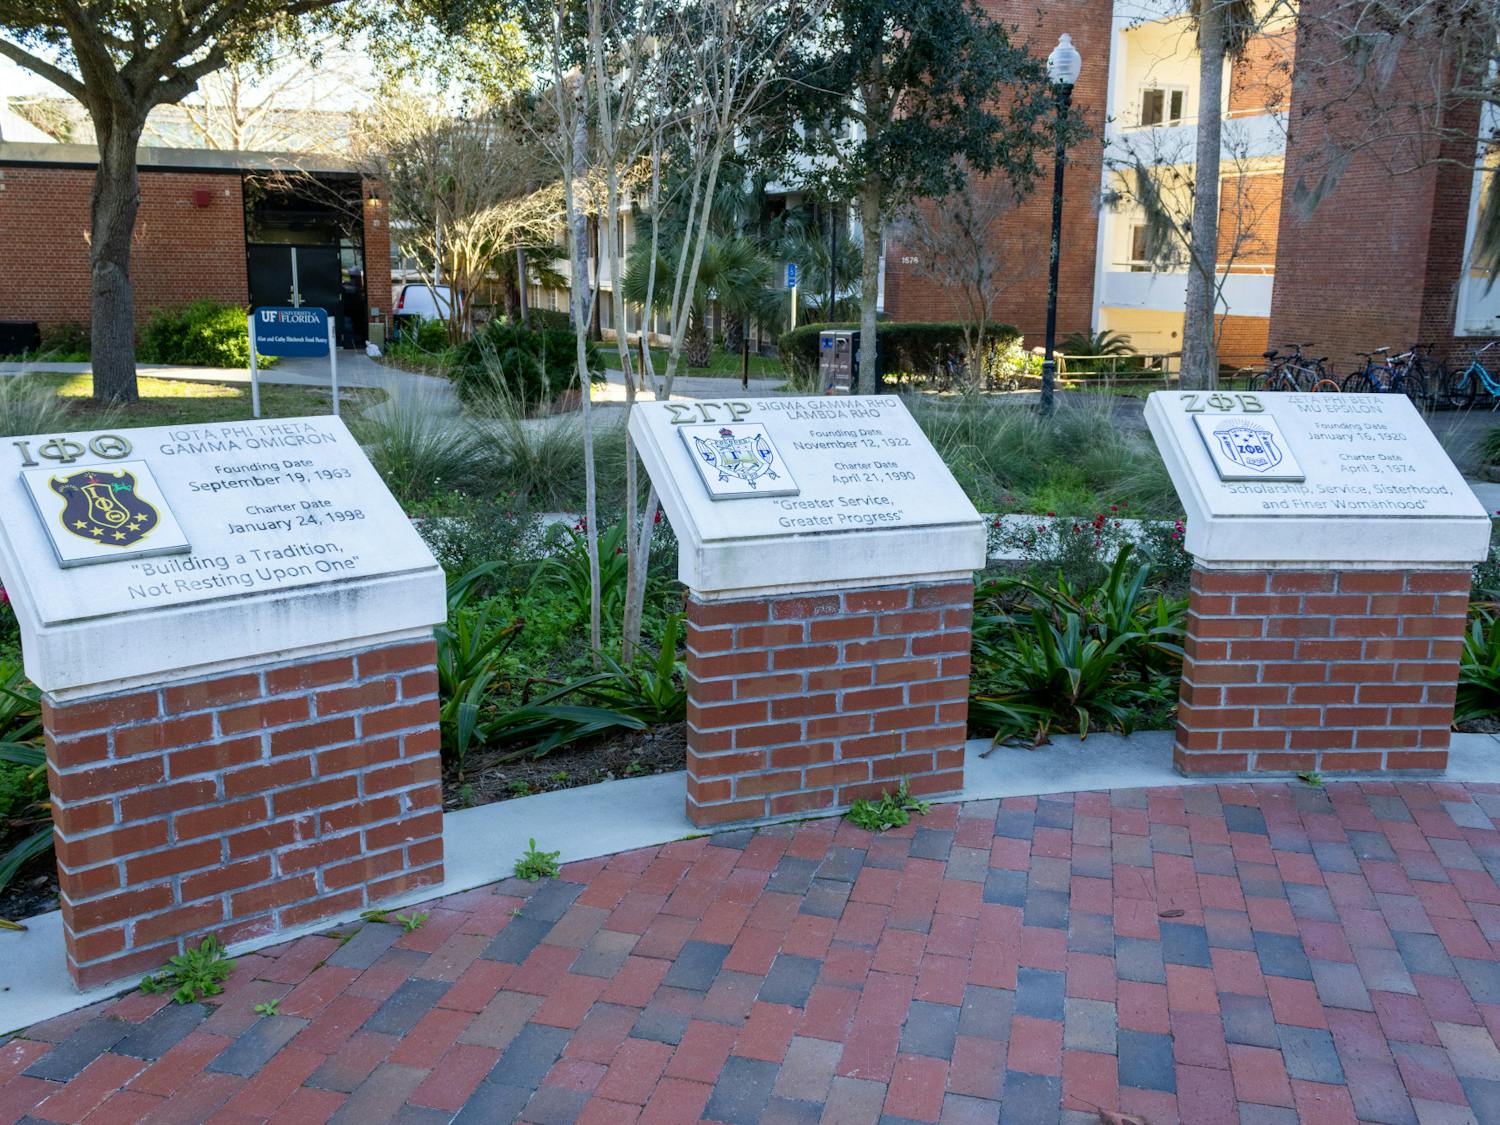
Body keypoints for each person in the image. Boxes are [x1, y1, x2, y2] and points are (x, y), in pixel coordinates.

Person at [340, 268, 365, 349]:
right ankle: (354, 341)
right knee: (352, 327)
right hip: (351, 310)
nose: (353, 278)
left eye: (354, 276)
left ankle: (356, 340)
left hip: (355, 310)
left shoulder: (355, 286)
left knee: (355, 326)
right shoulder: (351, 286)